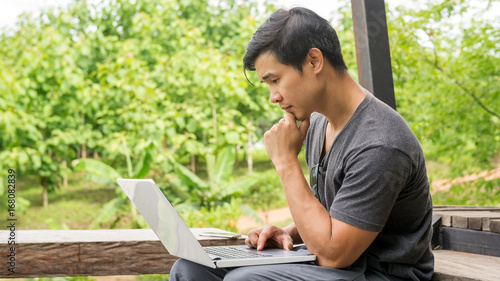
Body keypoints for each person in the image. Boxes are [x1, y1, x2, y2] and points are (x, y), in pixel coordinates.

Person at [170, 6, 434, 281]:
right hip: (339, 265)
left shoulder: (380, 144)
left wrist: (285, 162)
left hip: (380, 273)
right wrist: (289, 232)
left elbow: (334, 255)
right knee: (190, 269)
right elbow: (336, 213)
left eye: (275, 80)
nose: (273, 96)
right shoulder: (317, 123)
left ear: (314, 61)